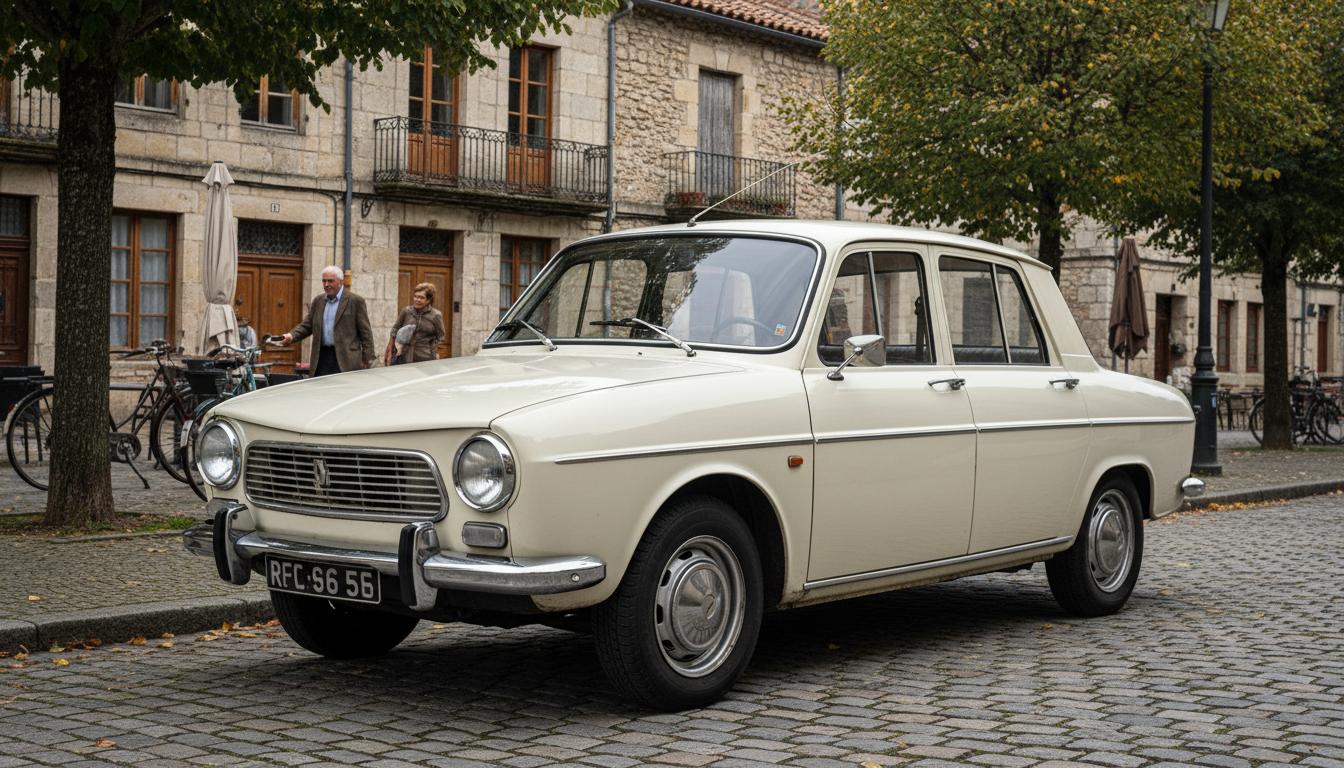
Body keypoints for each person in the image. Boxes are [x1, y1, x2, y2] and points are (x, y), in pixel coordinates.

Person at [277, 265, 375, 376]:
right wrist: (291, 336)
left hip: (346, 360)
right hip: (321, 358)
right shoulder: (318, 301)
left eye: (330, 281)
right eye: (324, 281)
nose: (326, 285)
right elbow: (307, 325)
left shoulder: (355, 301)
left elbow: (366, 334)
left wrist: (369, 361)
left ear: (340, 282)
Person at [383, 282, 446, 366]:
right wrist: (394, 347)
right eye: (415, 296)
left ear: (428, 300)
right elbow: (395, 329)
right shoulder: (407, 311)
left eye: (421, 298)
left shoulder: (436, 315)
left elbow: (441, 335)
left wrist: (432, 348)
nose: (417, 300)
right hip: (404, 357)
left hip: (426, 358)